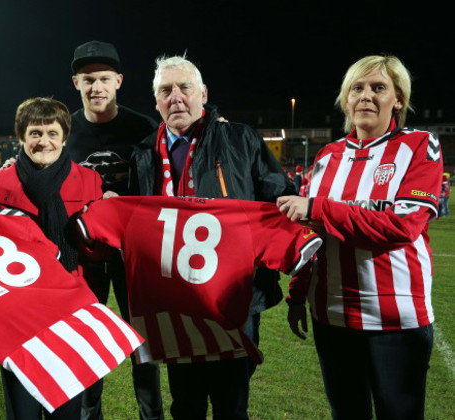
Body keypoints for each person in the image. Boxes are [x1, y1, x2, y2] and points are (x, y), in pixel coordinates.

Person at [129, 55, 296, 420]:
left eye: (184, 88)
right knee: (185, 404)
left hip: (231, 295)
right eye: (165, 90)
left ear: (202, 94)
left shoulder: (240, 138)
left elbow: (278, 198)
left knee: (231, 404)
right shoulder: (143, 154)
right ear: (156, 101)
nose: (175, 97)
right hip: (174, 295)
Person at [279, 55, 442, 420]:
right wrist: (298, 292)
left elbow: (401, 228)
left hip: (396, 320)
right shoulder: (326, 156)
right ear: (346, 100)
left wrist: (319, 207)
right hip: (331, 316)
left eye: (378, 88)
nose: (366, 96)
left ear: (398, 99)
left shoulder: (419, 145)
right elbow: (312, 235)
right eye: (357, 88)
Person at [0, 97, 104, 420]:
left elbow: (99, 251)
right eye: (35, 132)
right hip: (16, 313)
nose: (43, 141)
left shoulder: (90, 181)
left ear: (64, 136)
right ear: (21, 136)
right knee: (23, 413)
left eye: (51, 132)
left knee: (67, 411)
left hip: (70, 311)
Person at [67, 40, 164, 420]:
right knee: (87, 342)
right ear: (76, 82)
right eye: (88, 79)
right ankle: (90, 416)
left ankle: (151, 415)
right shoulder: (64, 129)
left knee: (143, 344)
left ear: (119, 80)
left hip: (133, 254)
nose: (97, 87)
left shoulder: (143, 128)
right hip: (83, 256)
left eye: (104, 78)